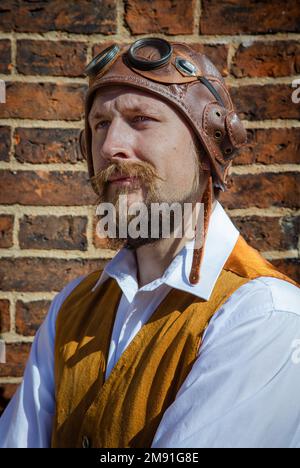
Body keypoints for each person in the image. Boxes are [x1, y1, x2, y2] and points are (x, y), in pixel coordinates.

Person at [0, 38, 299, 449]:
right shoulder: (72, 308)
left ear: (206, 145)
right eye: (100, 125)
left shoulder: (265, 315)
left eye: (141, 119)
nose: (109, 147)